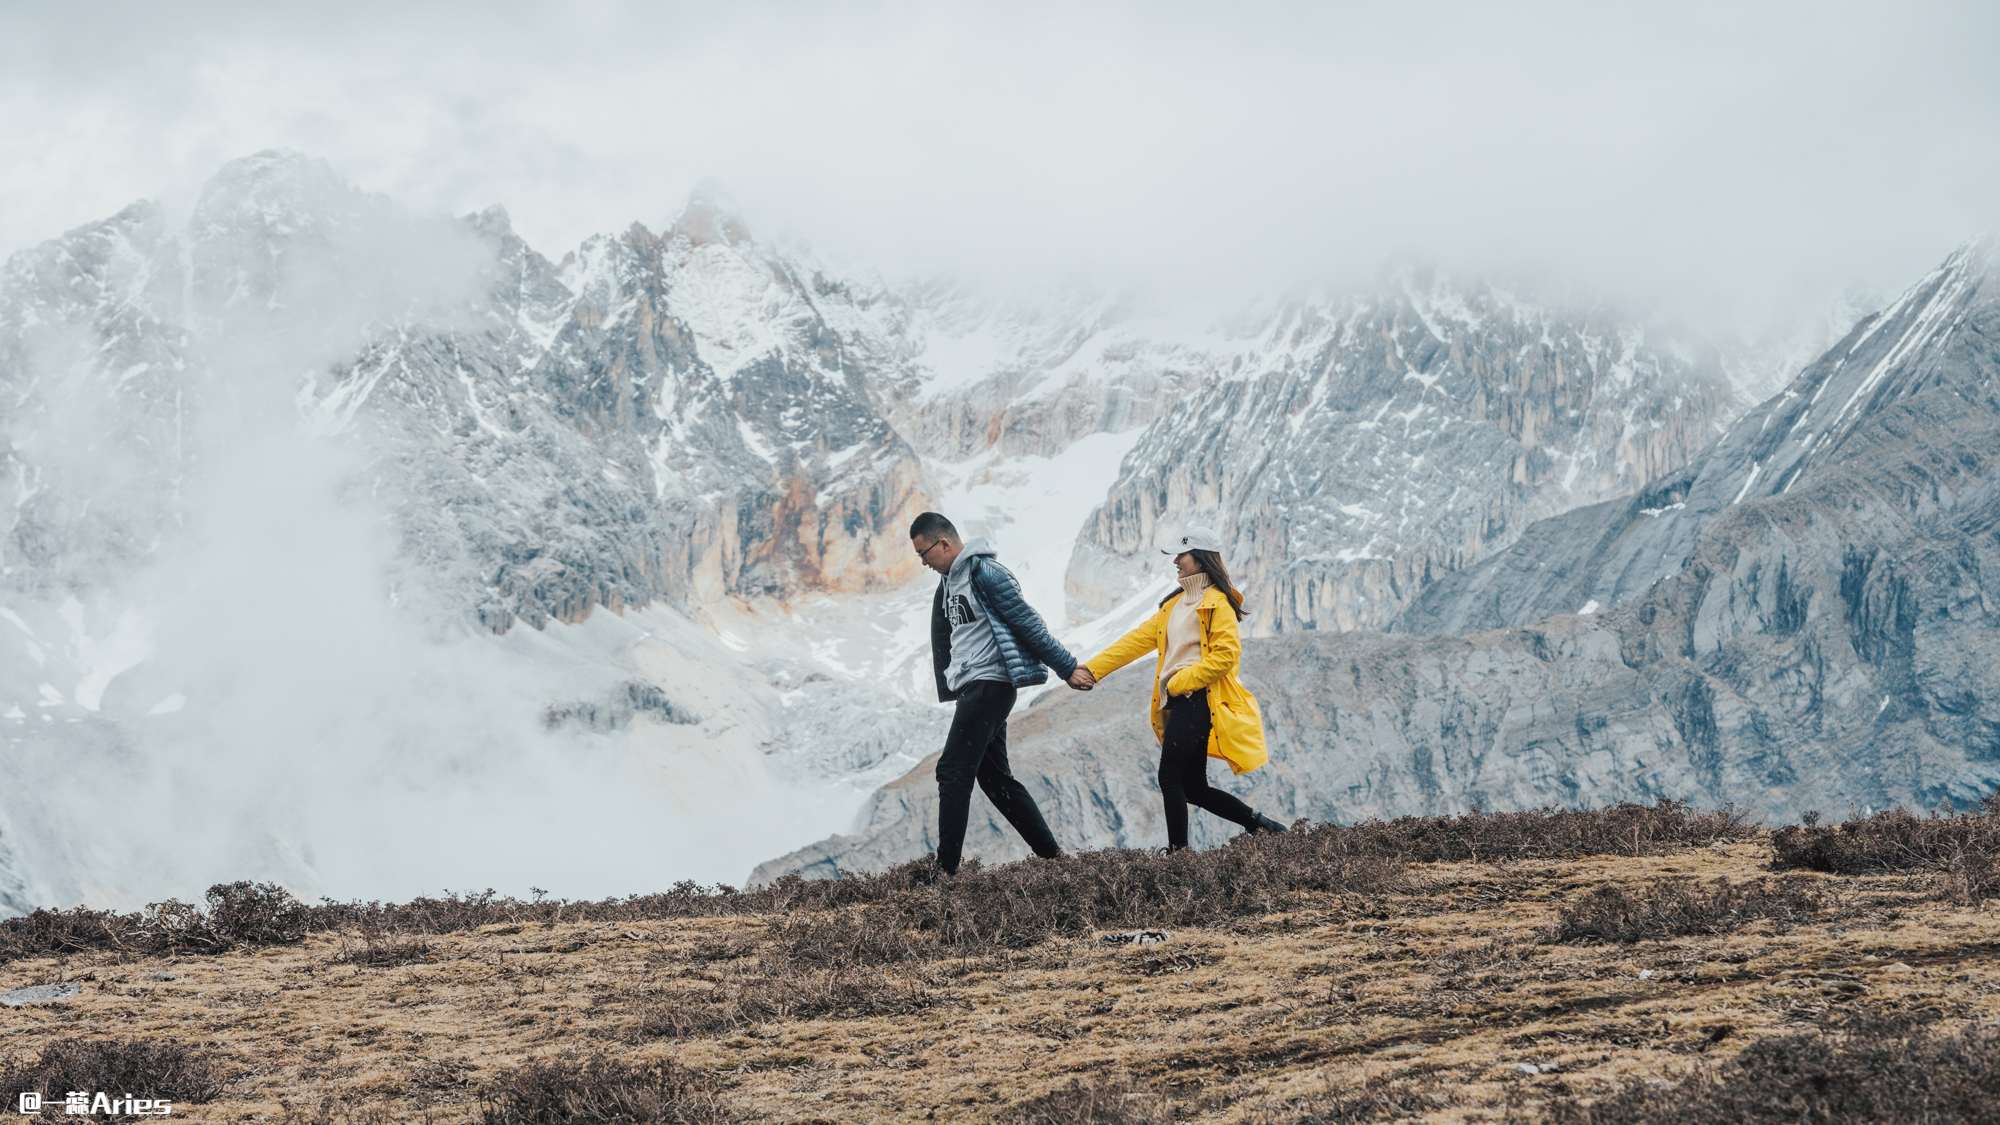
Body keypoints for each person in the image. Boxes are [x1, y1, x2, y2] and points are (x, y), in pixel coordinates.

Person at [1069, 526, 1287, 851]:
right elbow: (1135, 641)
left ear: (1200, 560)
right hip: (1182, 702)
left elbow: (1226, 656)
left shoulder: (1217, 603)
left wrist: (1179, 681)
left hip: (1198, 699)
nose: (1175, 561)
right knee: (1194, 788)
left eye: (1181, 555)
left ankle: (1179, 858)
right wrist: (1092, 670)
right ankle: (1263, 826)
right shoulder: (1174, 605)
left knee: (1169, 778)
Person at [912, 511, 1075, 877]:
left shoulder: (986, 574)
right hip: (976, 685)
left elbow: (1028, 622)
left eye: (924, 553)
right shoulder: (948, 583)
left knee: (952, 770)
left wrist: (1067, 667)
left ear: (945, 544)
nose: (923, 562)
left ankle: (946, 872)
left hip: (992, 684)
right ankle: (1054, 860)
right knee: (995, 778)